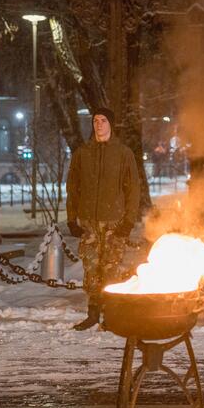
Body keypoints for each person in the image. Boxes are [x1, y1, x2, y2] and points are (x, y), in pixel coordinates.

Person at [66, 107, 140, 331]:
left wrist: (128, 221)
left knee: (110, 270)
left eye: (103, 120)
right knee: (91, 270)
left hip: (113, 222)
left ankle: (111, 316)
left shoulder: (123, 153)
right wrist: (72, 219)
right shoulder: (83, 153)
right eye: (95, 120)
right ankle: (93, 314)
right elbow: (73, 187)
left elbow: (133, 189)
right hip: (89, 223)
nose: (98, 124)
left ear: (111, 124)